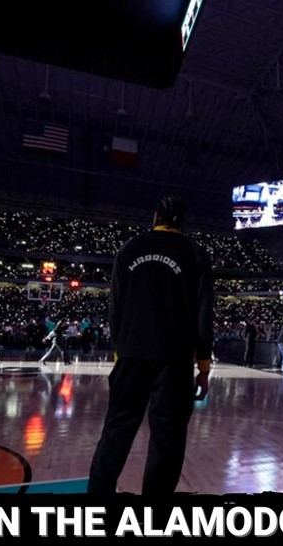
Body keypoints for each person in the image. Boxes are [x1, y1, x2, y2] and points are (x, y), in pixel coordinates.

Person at [88, 196, 214, 495]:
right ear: (182, 222)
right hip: (173, 361)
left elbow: (115, 307)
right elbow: (204, 314)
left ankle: (96, 498)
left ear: (155, 216)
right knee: (167, 438)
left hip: (131, 356)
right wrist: (203, 366)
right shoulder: (195, 253)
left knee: (116, 430)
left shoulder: (129, 249)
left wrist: (121, 351)